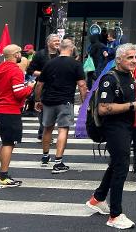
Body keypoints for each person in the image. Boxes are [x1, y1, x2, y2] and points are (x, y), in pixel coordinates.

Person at [85, 43, 136, 230]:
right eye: (129, 57)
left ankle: (97, 199)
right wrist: (132, 106)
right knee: (121, 167)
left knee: (115, 165)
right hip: (114, 128)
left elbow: (126, 100)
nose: (134, 60)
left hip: (126, 126)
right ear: (118, 59)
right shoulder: (109, 78)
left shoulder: (129, 76)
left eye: (135, 57)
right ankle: (115, 215)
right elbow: (103, 108)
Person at [0, 44, 34, 188]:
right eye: (20, 53)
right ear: (16, 54)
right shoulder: (15, 71)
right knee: (9, 143)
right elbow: (19, 93)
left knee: (5, 141)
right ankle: (3, 176)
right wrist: (30, 86)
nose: (21, 56)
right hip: (10, 110)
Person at [34, 38, 88, 173]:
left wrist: (37, 99)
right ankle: (58, 161)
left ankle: (45, 156)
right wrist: (84, 103)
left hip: (48, 100)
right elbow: (82, 85)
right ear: (72, 49)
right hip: (65, 101)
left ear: (59, 49)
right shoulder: (76, 64)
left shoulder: (49, 63)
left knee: (47, 128)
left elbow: (40, 84)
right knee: (63, 129)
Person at [25, 34, 60, 134]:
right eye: (55, 41)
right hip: (43, 87)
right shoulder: (40, 54)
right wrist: (44, 74)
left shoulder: (61, 54)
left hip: (58, 87)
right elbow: (30, 70)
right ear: (48, 42)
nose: (58, 42)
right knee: (43, 111)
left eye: (58, 40)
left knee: (55, 112)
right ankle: (43, 131)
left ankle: (46, 131)